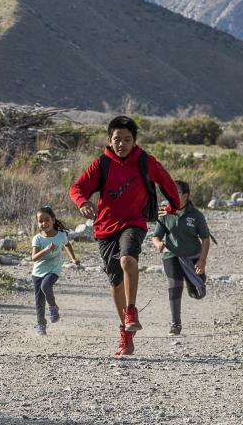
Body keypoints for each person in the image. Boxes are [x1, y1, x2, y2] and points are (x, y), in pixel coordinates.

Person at [69, 115, 182, 356]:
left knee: (128, 259)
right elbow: (77, 188)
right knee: (115, 282)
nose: (121, 144)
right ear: (109, 140)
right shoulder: (102, 164)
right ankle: (125, 334)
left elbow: (165, 180)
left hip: (134, 223)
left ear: (134, 141)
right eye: (117, 139)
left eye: (127, 139)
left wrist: (173, 205)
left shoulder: (145, 161)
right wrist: (82, 202)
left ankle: (131, 311)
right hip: (105, 228)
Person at [151, 180, 211, 336]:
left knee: (198, 294)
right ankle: (175, 324)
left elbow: (205, 238)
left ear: (186, 195)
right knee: (174, 285)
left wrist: (202, 260)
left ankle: (193, 281)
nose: (172, 194)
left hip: (193, 257)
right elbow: (156, 236)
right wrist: (158, 243)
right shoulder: (166, 213)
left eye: (176, 191)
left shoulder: (196, 215)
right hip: (172, 255)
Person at [30, 205, 80, 336]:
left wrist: (73, 258)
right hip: (37, 272)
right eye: (40, 221)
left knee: (45, 286)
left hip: (54, 269)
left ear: (53, 220)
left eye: (47, 220)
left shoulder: (60, 235)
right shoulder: (38, 238)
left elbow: (67, 244)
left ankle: (53, 307)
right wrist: (45, 249)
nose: (44, 223)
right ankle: (41, 324)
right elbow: (34, 258)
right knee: (39, 301)